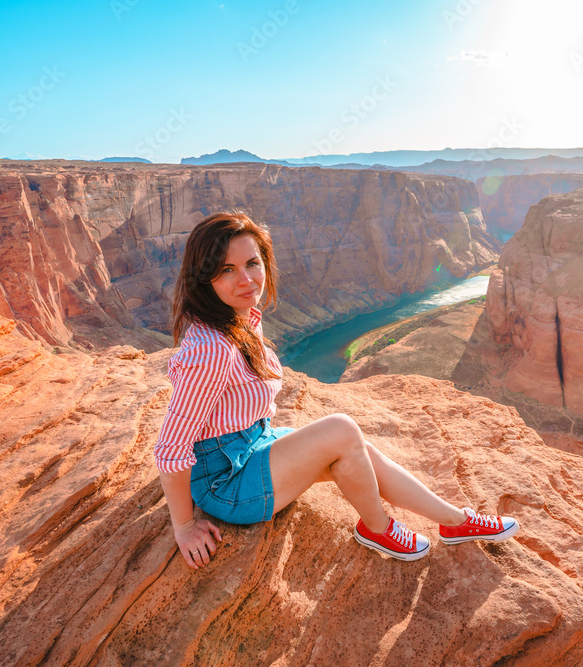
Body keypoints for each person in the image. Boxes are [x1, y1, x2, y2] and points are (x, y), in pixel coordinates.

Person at [154, 211, 519, 569]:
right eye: (226, 270)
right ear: (204, 279)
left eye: (252, 263)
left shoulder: (241, 318)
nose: (246, 279)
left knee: (357, 450)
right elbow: (170, 447)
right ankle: (377, 529)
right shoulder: (210, 350)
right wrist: (184, 526)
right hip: (227, 482)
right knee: (342, 430)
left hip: (251, 445)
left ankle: (455, 520)